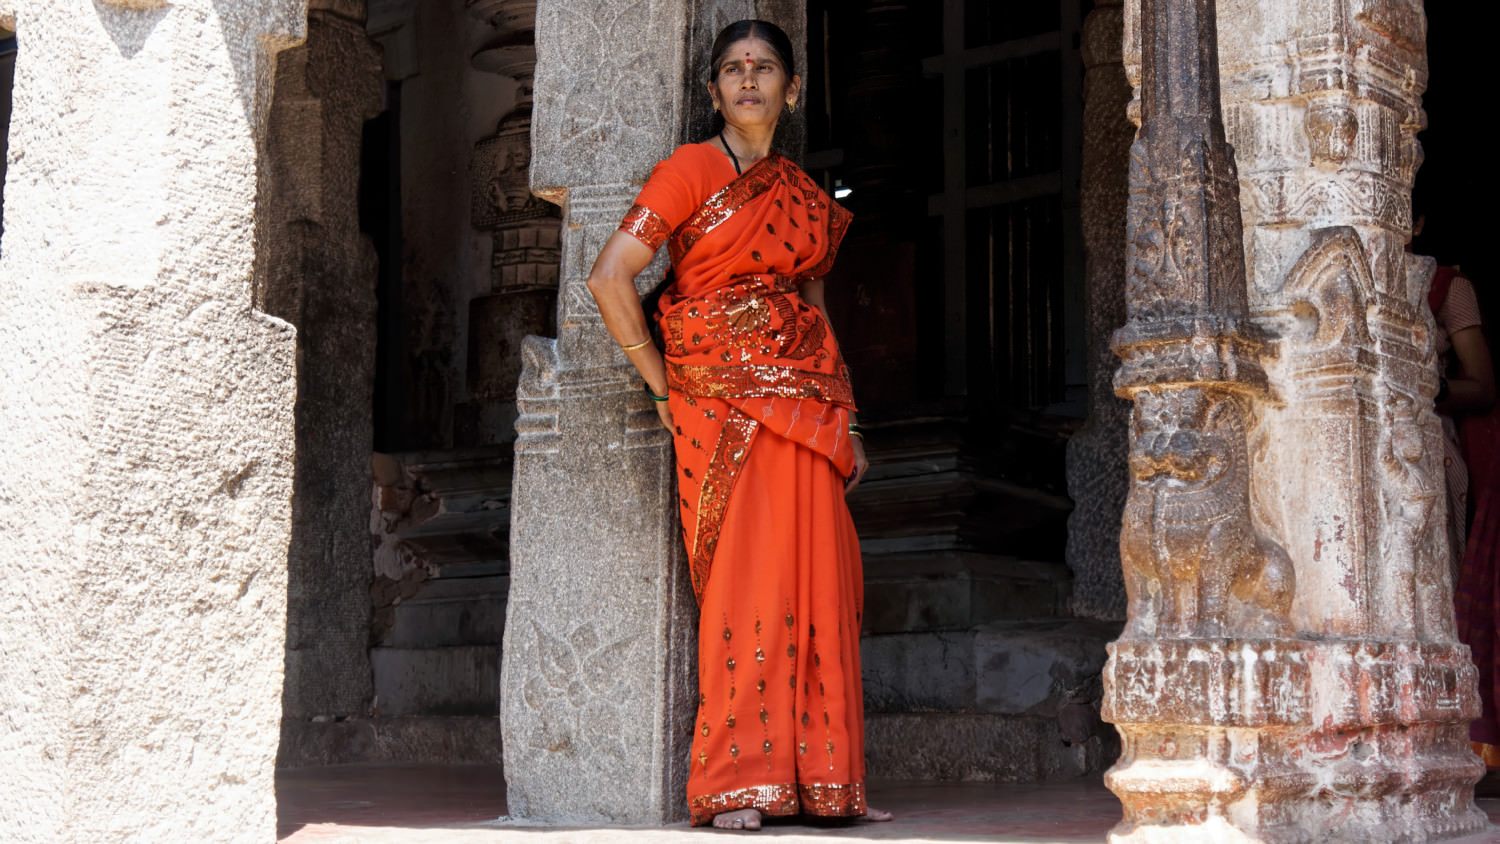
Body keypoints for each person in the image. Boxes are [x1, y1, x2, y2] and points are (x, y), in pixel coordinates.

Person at [583, 19, 892, 831]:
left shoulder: (802, 197)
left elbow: (817, 310)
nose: (748, 80)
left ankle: (827, 783)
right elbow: (610, 276)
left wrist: (848, 419)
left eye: (764, 68)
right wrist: (661, 386)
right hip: (715, 405)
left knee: (822, 585)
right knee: (744, 590)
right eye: (731, 69)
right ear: (714, 91)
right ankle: (738, 786)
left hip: (809, 405)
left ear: (791, 89)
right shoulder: (690, 171)